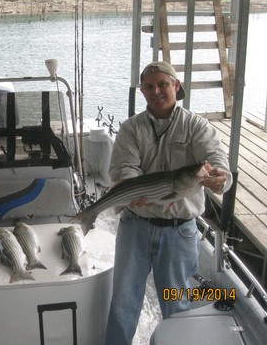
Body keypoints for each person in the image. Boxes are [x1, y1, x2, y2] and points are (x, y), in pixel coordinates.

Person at [104, 61, 232, 345]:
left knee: (176, 304)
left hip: (180, 230)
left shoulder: (197, 125)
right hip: (135, 224)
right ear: (142, 91)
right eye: (149, 86)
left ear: (176, 86)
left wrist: (221, 178)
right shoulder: (131, 128)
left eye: (163, 84)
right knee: (124, 300)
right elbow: (123, 169)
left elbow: (216, 160)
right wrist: (129, 185)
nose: (157, 91)